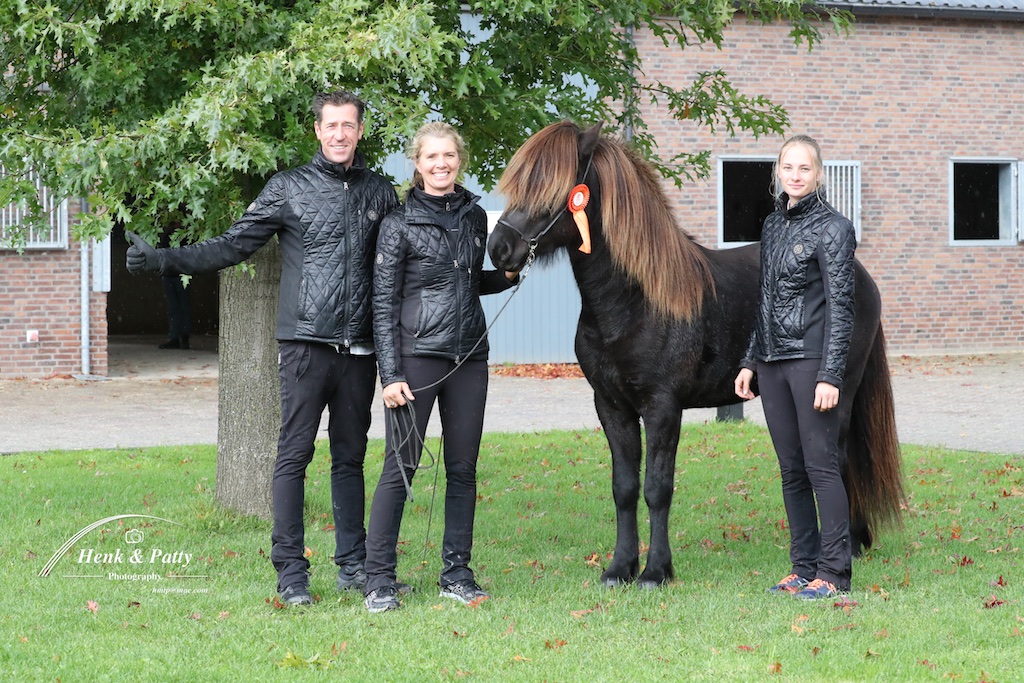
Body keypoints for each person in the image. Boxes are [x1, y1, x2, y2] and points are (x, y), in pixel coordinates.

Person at [125, 90, 400, 606]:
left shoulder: (381, 193)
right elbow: (232, 244)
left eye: (349, 125)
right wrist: (166, 259)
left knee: (350, 459)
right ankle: (292, 574)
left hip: (360, 351)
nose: (340, 134)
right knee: (294, 456)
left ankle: (353, 566)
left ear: (360, 131)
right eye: (330, 125)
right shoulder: (288, 188)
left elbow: (406, 261)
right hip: (303, 346)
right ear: (316, 131)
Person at [362, 122, 518, 613]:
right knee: (400, 468)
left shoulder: (474, 216)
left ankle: (457, 574)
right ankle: (379, 581)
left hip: (470, 357)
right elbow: (383, 304)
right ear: (417, 164)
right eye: (431, 157)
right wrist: (390, 376)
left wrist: (507, 275)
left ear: (459, 159)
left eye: (448, 156)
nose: (441, 164)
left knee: (462, 470)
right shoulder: (398, 222)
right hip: (416, 358)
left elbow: (467, 283)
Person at [734, 134, 857, 601]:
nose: (795, 175)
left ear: (819, 173)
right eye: (788, 167)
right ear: (778, 172)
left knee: (820, 466)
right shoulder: (771, 225)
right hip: (770, 362)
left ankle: (834, 573)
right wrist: (749, 361)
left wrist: (831, 374)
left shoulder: (834, 229)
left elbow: (842, 309)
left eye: (804, 168)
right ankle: (803, 568)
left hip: (809, 362)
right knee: (791, 470)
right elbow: (764, 300)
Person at [159, 273, 192, 350]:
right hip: (176, 273)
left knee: (178, 306)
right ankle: (180, 338)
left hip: (176, 273)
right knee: (176, 306)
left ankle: (179, 337)